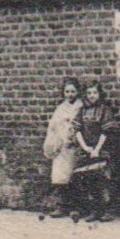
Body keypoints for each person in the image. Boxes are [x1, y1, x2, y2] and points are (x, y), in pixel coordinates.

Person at [71, 78, 120, 221]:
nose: (92, 95)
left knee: (103, 179)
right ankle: (94, 210)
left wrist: (97, 149)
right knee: (88, 179)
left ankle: (107, 211)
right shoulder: (82, 110)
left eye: (94, 92)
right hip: (87, 149)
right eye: (89, 93)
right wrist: (85, 147)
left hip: (102, 149)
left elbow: (106, 131)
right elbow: (77, 129)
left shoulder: (105, 110)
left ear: (99, 94)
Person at [41, 77, 82, 218]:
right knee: (60, 177)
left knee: (75, 176)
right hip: (61, 147)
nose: (70, 94)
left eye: (73, 91)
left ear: (77, 92)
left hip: (75, 146)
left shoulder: (81, 107)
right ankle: (62, 206)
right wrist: (53, 142)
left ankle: (76, 208)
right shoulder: (60, 108)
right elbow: (53, 127)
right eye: (67, 91)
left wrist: (74, 138)